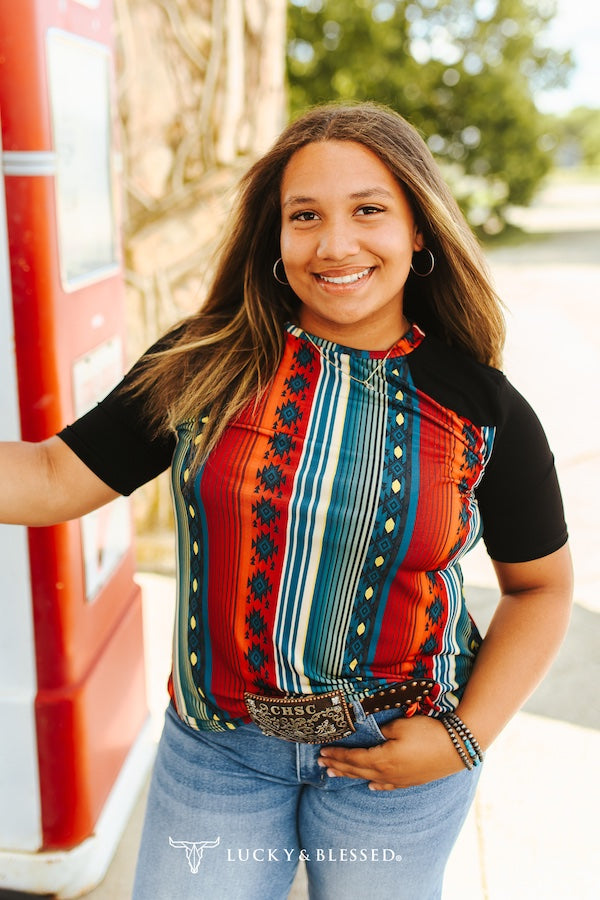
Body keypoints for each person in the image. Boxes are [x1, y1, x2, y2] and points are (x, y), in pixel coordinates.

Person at [1, 103, 572, 900]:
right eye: (305, 216)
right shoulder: (203, 366)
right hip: (219, 754)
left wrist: (464, 739)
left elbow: (542, 589)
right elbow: (55, 478)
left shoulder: (482, 409)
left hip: (397, 762)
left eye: (369, 210)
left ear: (419, 231)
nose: (335, 245)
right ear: (274, 238)